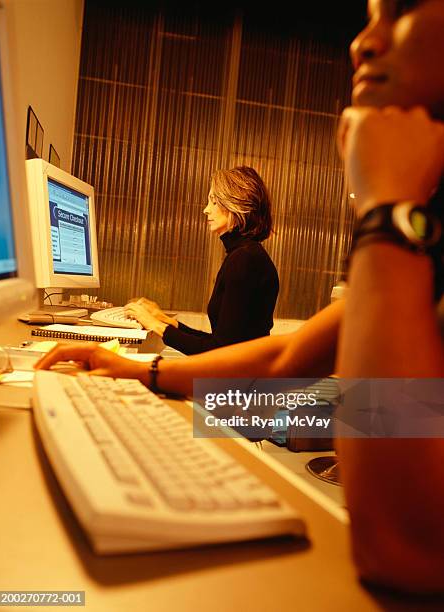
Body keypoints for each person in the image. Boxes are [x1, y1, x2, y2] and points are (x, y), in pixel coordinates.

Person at [36, 0, 444, 594]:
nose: (362, 43)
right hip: (308, 400)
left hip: (317, 417)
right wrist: (133, 369)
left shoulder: (378, 236)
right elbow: (282, 359)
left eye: (399, 11)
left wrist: (387, 209)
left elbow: (403, 547)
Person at [124, 166, 279, 355]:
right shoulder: (245, 255)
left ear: (235, 205)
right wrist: (165, 320)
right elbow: (221, 340)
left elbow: (220, 352)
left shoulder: (245, 261)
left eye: (213, 202)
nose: (206, 210)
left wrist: (155, 325)